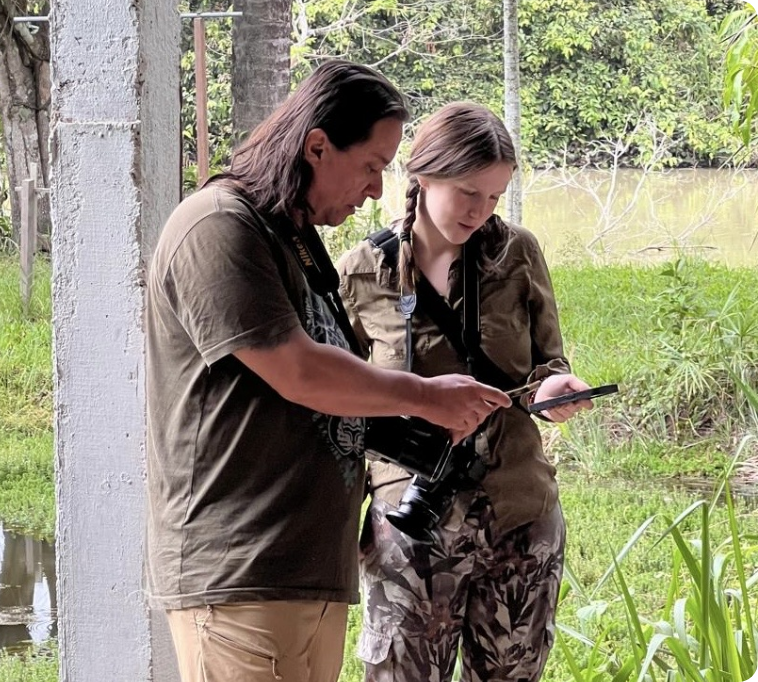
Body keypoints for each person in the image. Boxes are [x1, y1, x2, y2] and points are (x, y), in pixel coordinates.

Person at [144, 63, 511, 682]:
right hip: (240, 573)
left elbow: (318, 402)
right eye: (370, 165)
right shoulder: (218, 224)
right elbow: (299, 371)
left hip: (306, 570)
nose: (375, 190)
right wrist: (424, 396)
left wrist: (415, 432)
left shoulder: (296, 240)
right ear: (317, 146)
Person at [338, 102, 594, 682]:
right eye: (467, 192)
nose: (480, 211)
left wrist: (555, 388)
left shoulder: (517, 253)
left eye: (495, 197)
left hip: (518, 513)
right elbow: (339, 400)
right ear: (423, 175)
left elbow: (547, 364)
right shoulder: (363, 272)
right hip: (411, 525)